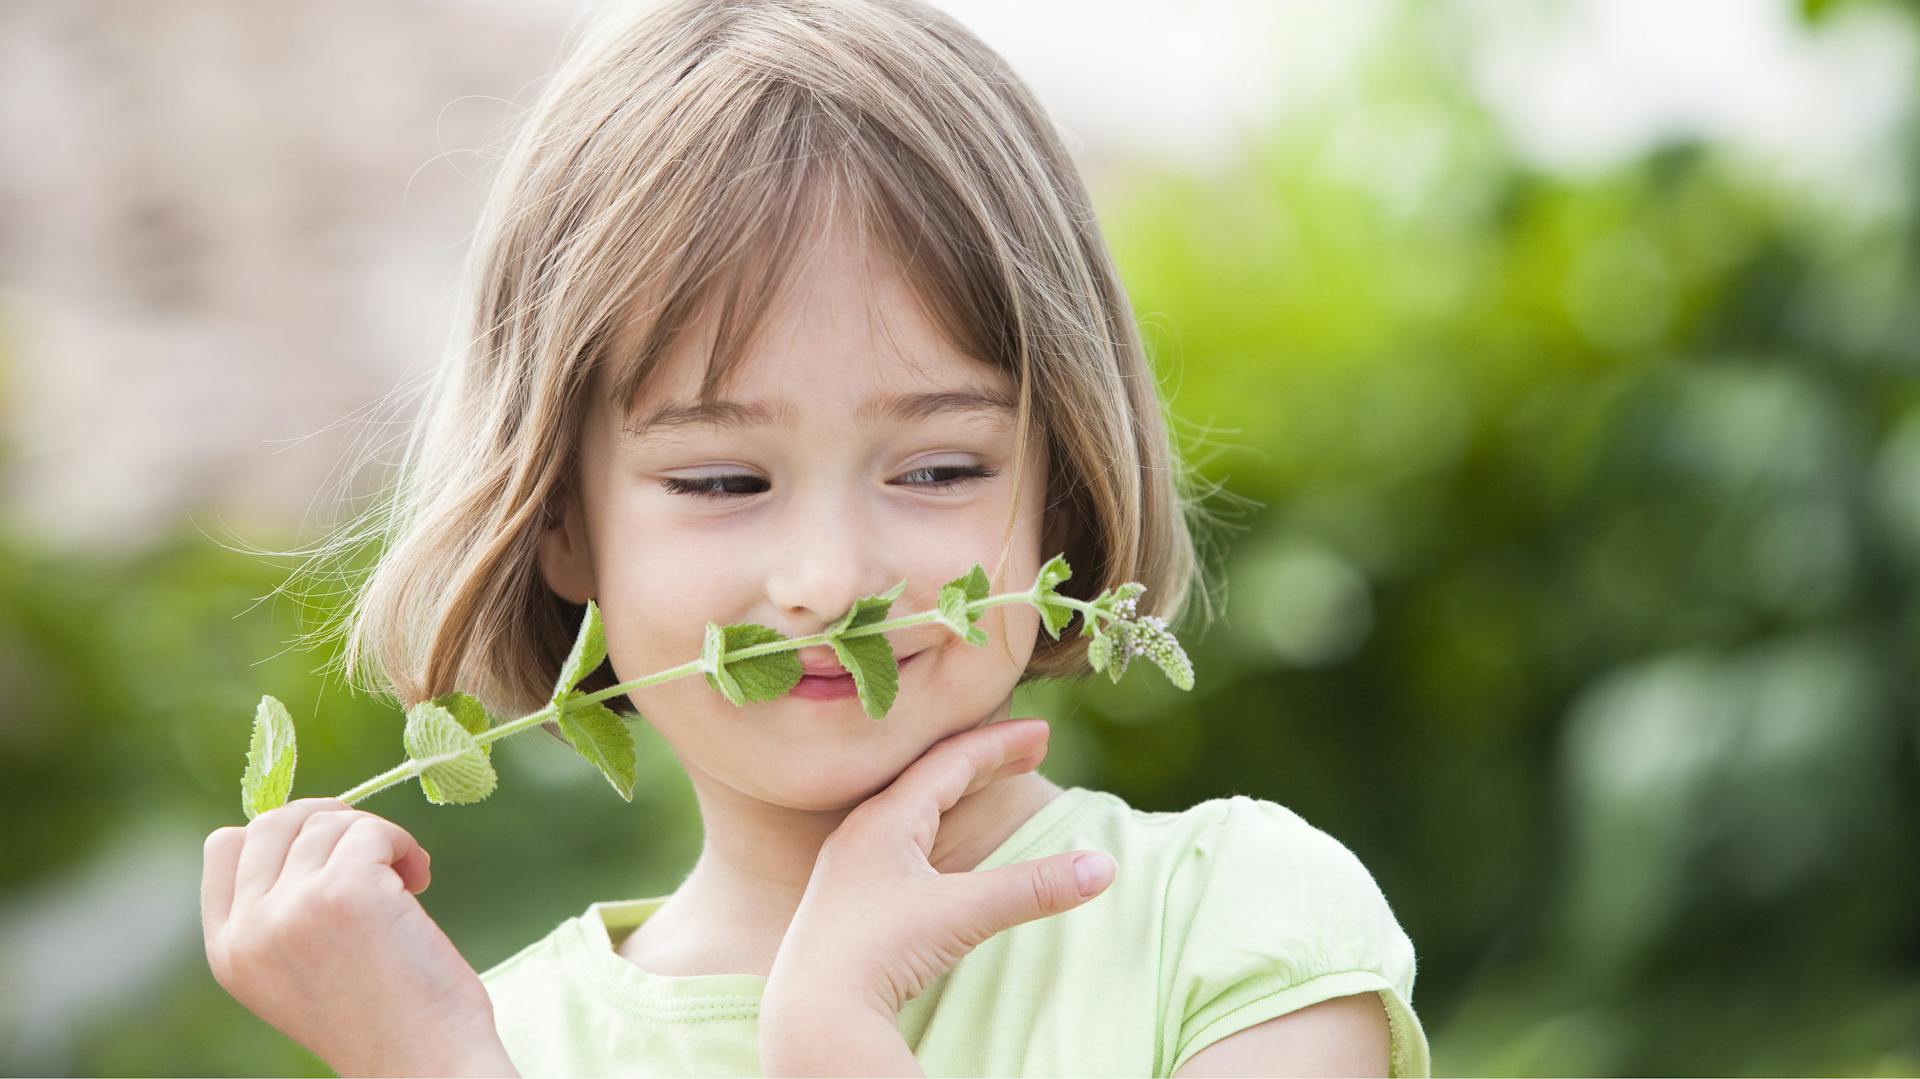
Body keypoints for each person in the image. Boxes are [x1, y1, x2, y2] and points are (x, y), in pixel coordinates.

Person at [199, 0, 1430, 1075]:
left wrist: (832, 1037)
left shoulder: (1230, 921)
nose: (831, 581)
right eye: (723, 479)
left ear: (1059, 490)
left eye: (939, 468)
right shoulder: (486, 1038)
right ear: (559, 521)